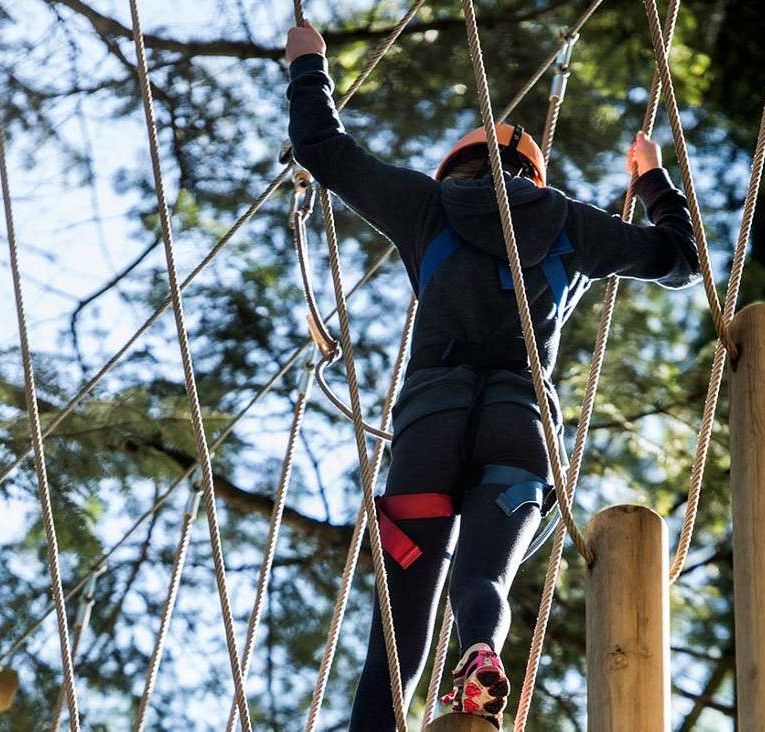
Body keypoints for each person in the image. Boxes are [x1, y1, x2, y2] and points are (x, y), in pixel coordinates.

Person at [285, 20, 699, 731]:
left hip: (428, 431)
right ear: (534, 179)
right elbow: (680, 259)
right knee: (483, 579)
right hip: (519, 432)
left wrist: (308, 63)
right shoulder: (573, 224)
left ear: (454, 168)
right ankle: (479, 648)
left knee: (401, 618)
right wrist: (652, 180)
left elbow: (323, 149)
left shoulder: (425, 205)